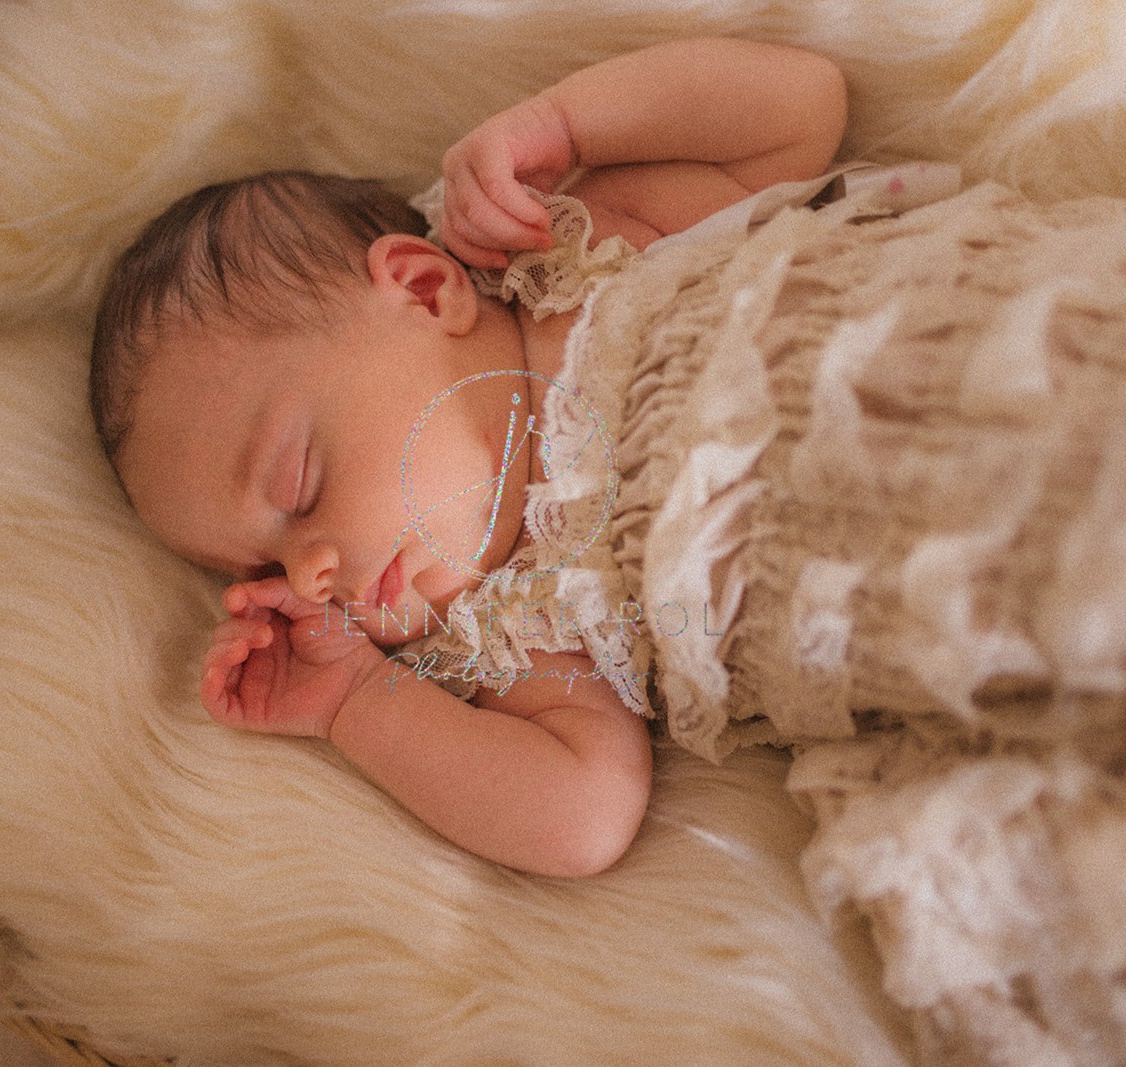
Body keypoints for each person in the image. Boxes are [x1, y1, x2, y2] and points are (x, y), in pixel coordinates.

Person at [88, 37, 849, 877]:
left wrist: (564, 125)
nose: (308, 577)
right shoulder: (519, 628)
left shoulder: (587, 258)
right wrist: (351, 700)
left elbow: (800, 109)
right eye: (264, 566)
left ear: (422, 289)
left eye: (300, 488)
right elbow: (584, 816)